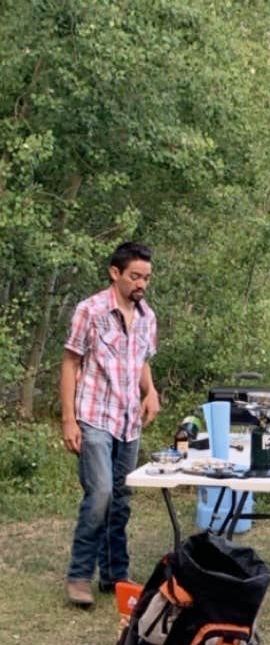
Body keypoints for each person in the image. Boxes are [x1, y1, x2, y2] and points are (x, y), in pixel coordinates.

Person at [60, 242, 160, 608]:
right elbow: (70, 363)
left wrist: (150, 392)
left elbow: (141, 361)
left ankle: (116, 575)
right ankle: (79, 576)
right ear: (114, 273)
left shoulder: (147, 317)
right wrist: (69, 419)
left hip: (128, 419)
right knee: (100, 494)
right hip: (93, 416)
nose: (142, 284)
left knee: (120, 500)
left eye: (146, 277)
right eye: (135, 276)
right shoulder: (90, 310)